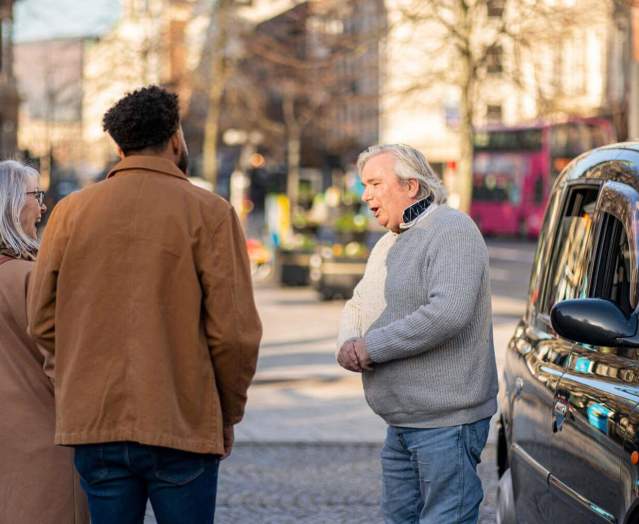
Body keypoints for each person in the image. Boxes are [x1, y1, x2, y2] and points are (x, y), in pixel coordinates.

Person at [28, 86, 262, 524]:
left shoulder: (70, 212)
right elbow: (234, 332)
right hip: (182, 419)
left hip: (95, 419)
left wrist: (75, 380)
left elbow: (41, 319)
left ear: (118, 147)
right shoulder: (210, 212)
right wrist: (226, 412)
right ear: (176, 139)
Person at [337, 144, 498, 524]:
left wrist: (370, 348)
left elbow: (447, 314)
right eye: (365, 185)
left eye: (375, 183)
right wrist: (347, 342)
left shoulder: (452, 229)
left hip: (446, 422)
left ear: (410, 187)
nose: (366, 196)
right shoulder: (389, 242)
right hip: (403, 422)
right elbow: (360, 303)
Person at [0, 160, 89, 524]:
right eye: (37, 196)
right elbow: (67, 362)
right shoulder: (32, 279)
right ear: (11, 203)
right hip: (44, 444)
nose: (42, 208)